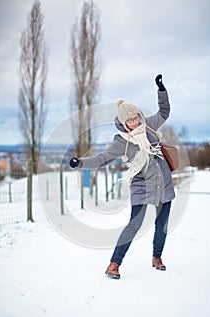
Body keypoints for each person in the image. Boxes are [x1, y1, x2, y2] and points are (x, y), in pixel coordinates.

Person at [69, 74, 175, 279]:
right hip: (141, 186)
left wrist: (161, 90)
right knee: (133, 225)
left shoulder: (150, 125)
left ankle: (157, 257)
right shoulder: (121, 141)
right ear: (123, 122)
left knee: (162, 225)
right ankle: (114, 264)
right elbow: (101, 159)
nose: (135, 122)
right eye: (130, 120)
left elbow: (165, 111)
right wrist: (80, 163)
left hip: (163, 182)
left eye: (136, 117)